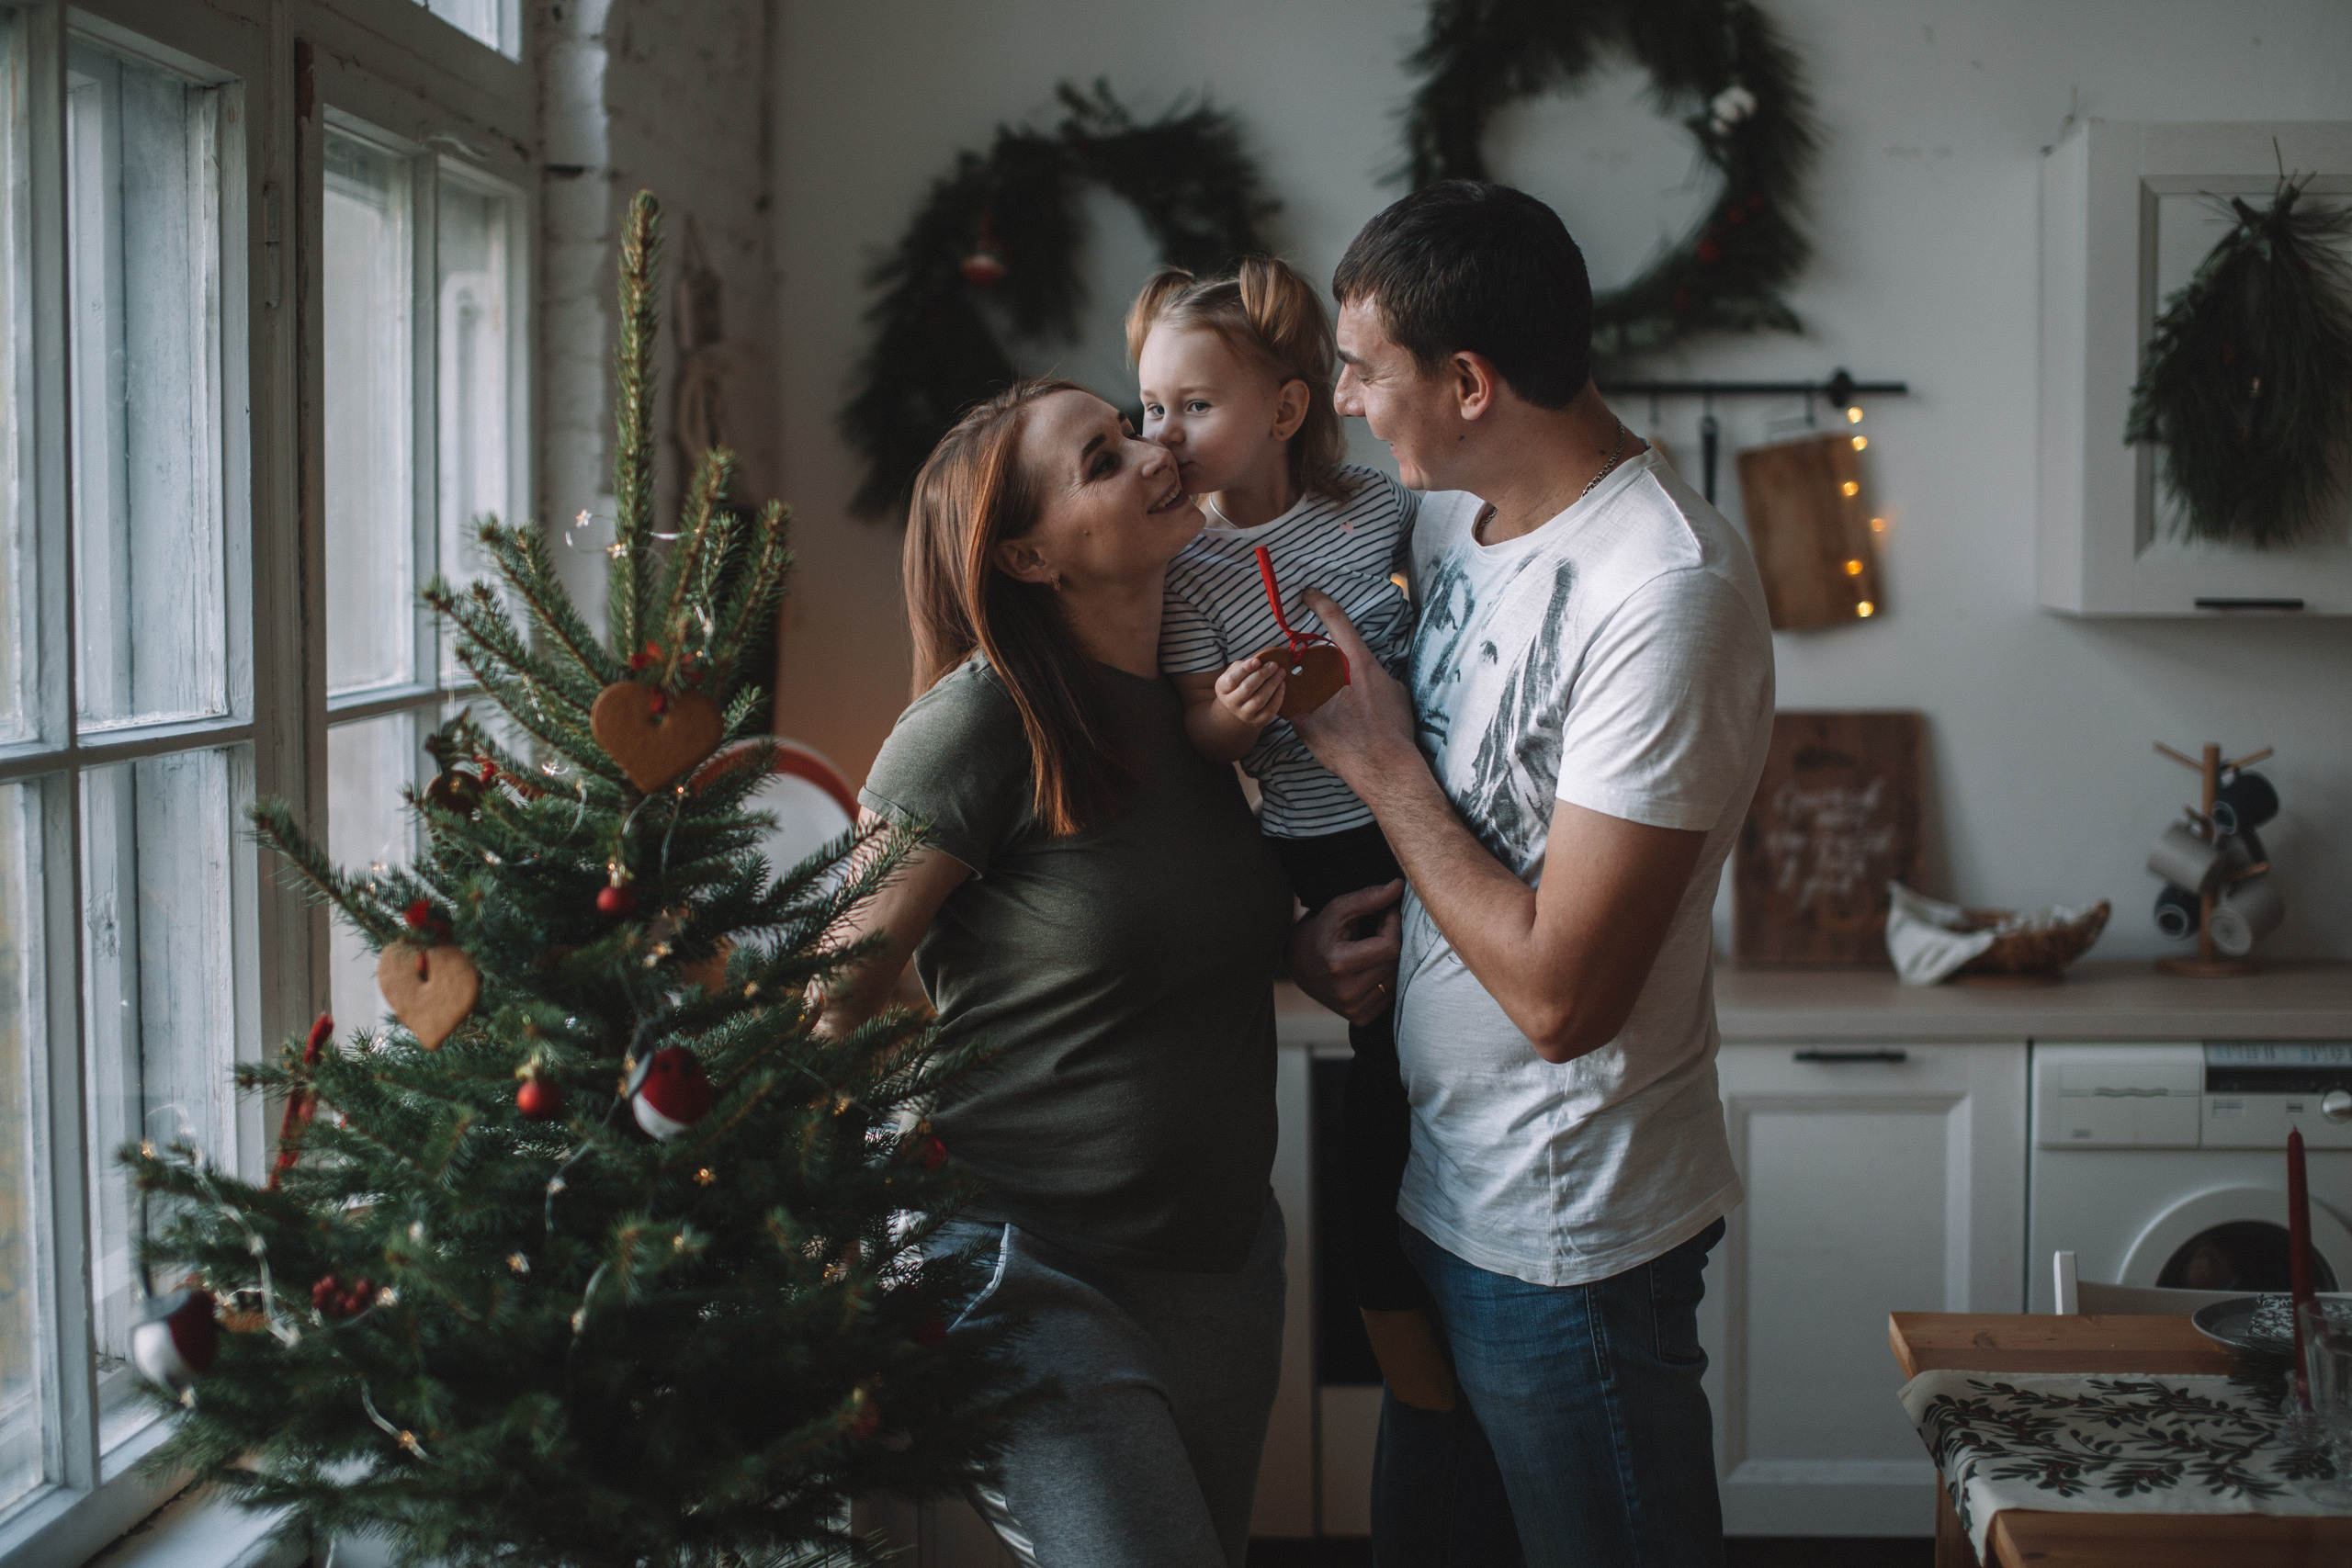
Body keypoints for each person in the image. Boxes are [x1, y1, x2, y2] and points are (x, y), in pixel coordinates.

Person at [813, 379, 1402, 1568]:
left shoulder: (1205, 714)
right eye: (1101, 458)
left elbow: (1146, 928)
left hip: (1227, 1268)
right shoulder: (980, 722)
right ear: (1029, 553)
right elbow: (826, 992)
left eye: (1130, 428)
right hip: (1027, 1270)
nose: (1155, 452)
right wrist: (837, 1241)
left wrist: (1291, 952)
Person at [1293, 182, 1778, 1568]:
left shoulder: (1665, 591)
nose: (1340, 400)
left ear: (1466, 381)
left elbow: (1566, 997)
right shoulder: (1452, 516)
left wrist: (1385, 773)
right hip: (1437, 1187)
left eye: (1362, 370)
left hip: (1568, 1236)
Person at [1126, 258, 1455, 1416]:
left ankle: (1469, 1285)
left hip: (1432, 814)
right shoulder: (1186, 568)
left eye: (1193, 407)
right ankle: (1390, 1312)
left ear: (1284, 408)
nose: (1161, 435)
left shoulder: (1375, 510)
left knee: (1450, 1063)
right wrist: (1237, 709)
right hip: (1322, 845)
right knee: (1381, 1076)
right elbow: (1201, 735)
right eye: (1151, 407)